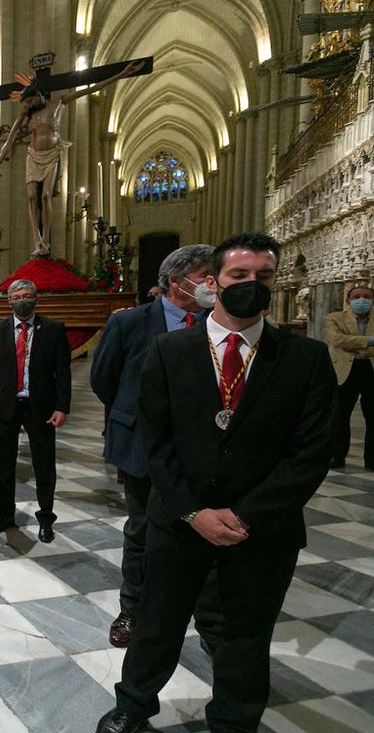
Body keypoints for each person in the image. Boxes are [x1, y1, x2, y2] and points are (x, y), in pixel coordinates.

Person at [97, 233, 337, 733]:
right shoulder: (169, 350)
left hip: (261, 530)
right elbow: (156, 442)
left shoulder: (304, 358)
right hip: (181, 520)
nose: (252, 285)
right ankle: (134, 705)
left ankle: (233, 719)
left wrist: (246, 514)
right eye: (239, 276)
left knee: (245, 634)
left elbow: (311, 454)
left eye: (264, 277)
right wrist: (192, 511)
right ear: (213, 282)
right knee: (158, 625)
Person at [90, 244, 224, 649]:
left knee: (203, 532)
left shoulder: (217, 323)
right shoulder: (129, 323)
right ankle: (132, 609)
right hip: (142, 447)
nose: (212, 285)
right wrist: (136, 418)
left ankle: (209, 620)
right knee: (142, 531)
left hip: (202, 450)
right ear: (175, 281)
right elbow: (104, 379)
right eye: (205, 277)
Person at [0, 61, 143, 257]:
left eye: (29, 103)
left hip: (51, 154)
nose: (26, 107)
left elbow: (90, 89)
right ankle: (37, 241)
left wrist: (119, 75)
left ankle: (45, 240)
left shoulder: (58, 103)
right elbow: (9, 141)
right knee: (31, 197)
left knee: (45, 196)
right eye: (25, 105)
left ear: (37, 96)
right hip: (33, 156)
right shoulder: (27, 114)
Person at [0, 279, 70, 542]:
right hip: (5, 406)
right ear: (9, 301)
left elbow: (62, 373)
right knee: (5, 465)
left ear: (36, 298)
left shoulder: (53, 329)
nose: (22, 300)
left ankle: (46, 518)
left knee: (44, 464)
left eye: (27, 295)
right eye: (17, 296)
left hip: (40, 406)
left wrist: (61, 407)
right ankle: (5, 514)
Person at [325, 285, 374, 470]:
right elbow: (337, 339)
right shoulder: (335, 318)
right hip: (345, 371)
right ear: (348, 300)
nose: (362, 300)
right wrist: (370, 341)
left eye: (367, 296)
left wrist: (352, 343)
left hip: (370, 369)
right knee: (339, 416)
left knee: (373, 416)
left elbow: (346, 341)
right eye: (357, 296)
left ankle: (372, 459)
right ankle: (337, 456)